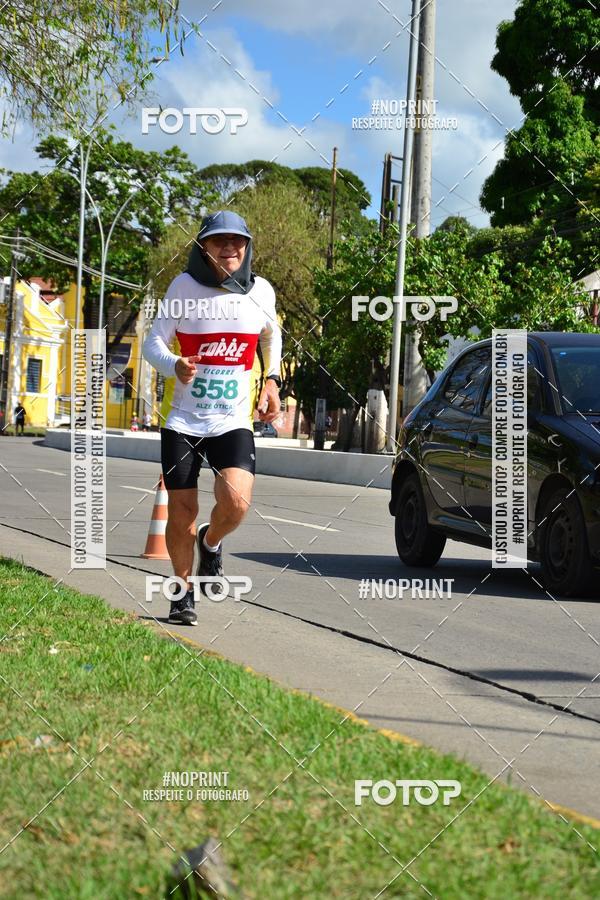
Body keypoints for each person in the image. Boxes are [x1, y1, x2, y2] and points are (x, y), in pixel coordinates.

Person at [142, 210, 282, 626]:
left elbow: (271, 335)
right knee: (181, 510)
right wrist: (174, 365)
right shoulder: (183, 288)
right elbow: (153, 344)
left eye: (237, 241)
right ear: (204, 247)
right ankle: (182, 594)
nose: (229, 247)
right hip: (184, 421)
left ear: (247, 247)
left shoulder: (261, 292)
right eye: (220, 240)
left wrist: (271, 381)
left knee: (236, 502)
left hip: (232, 420)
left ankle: (212, 540)